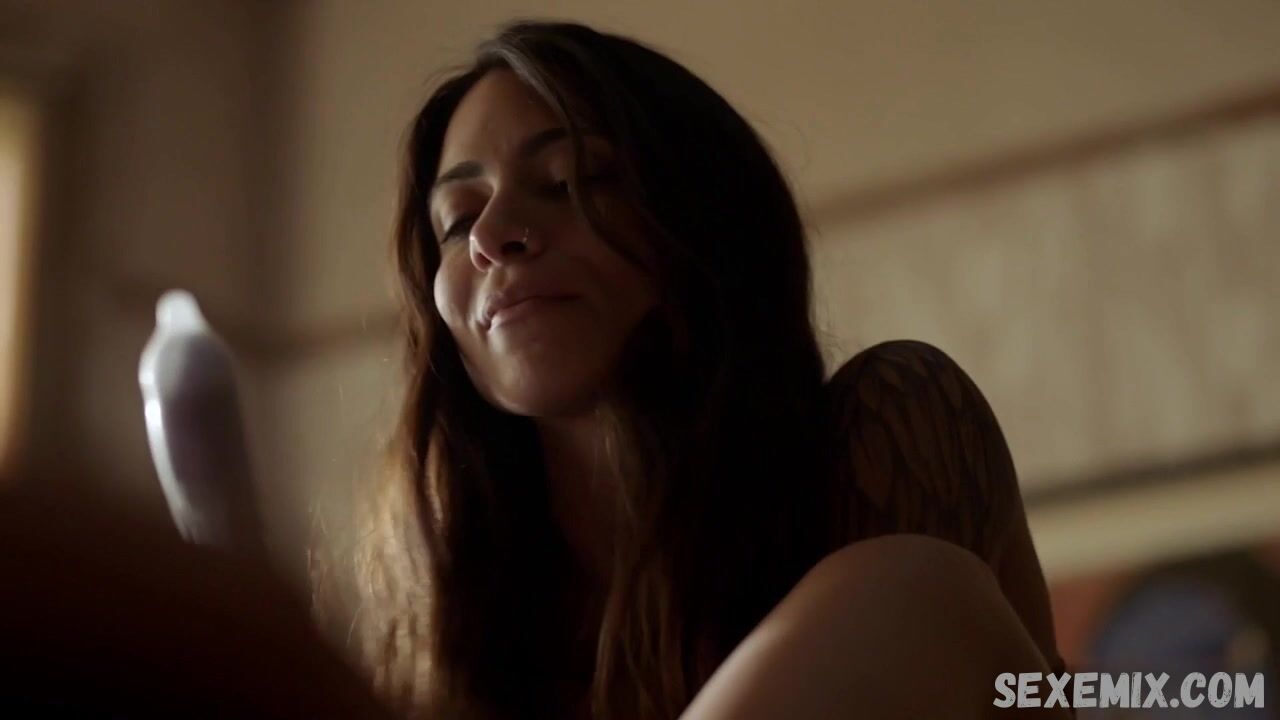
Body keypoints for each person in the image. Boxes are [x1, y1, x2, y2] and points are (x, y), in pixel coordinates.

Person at [352, 19, 1069, 720]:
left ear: (701, 219)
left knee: (905, 583)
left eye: (571, 179)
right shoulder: (449, 610)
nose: (489, 236)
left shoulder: (888, 432)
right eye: (457, 219)